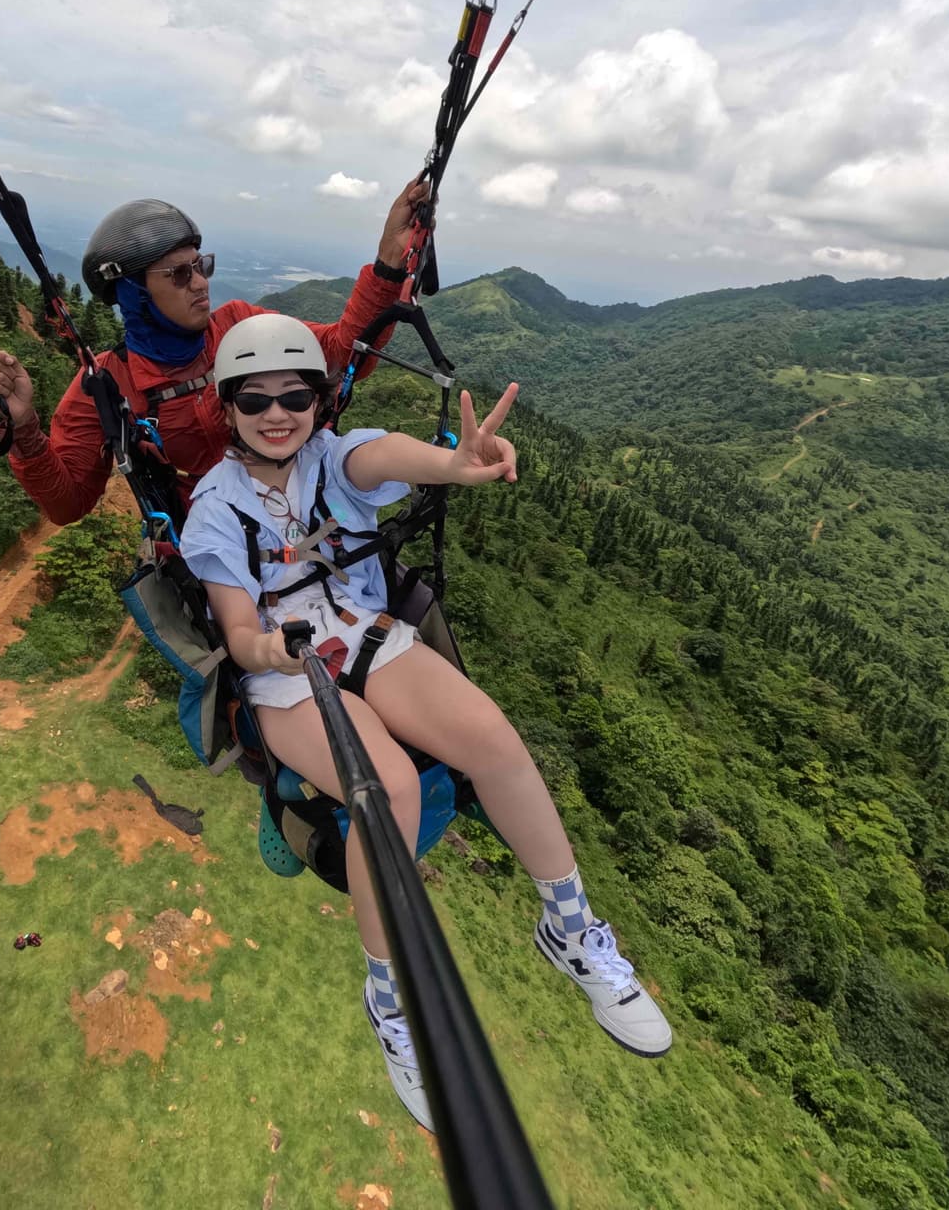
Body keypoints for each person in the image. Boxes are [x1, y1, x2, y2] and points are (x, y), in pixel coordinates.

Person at [177, 314, 673, 1131]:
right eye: (255, 399)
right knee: (388, 790)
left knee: (494, 741)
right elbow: (235, 629)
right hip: (284, 677)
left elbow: (384, 456)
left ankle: (572, 927)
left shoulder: (334, 460)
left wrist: (453, 464)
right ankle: (391, 1000)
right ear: (228, 407)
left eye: (295, 396)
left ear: (318, 401)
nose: (277, 414)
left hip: (362, 633)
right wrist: (270, 650)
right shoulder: (214, 510)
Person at [0, 180, 430, 525]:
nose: (200, 283)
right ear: (133, 291)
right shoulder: (106, 384)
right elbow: (68, 504)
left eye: (201, 266)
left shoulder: (238, 326)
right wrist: (25, 432)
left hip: (304, 511)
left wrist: (388, 262)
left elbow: (343, 355)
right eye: (179, 274)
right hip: (214, 546)